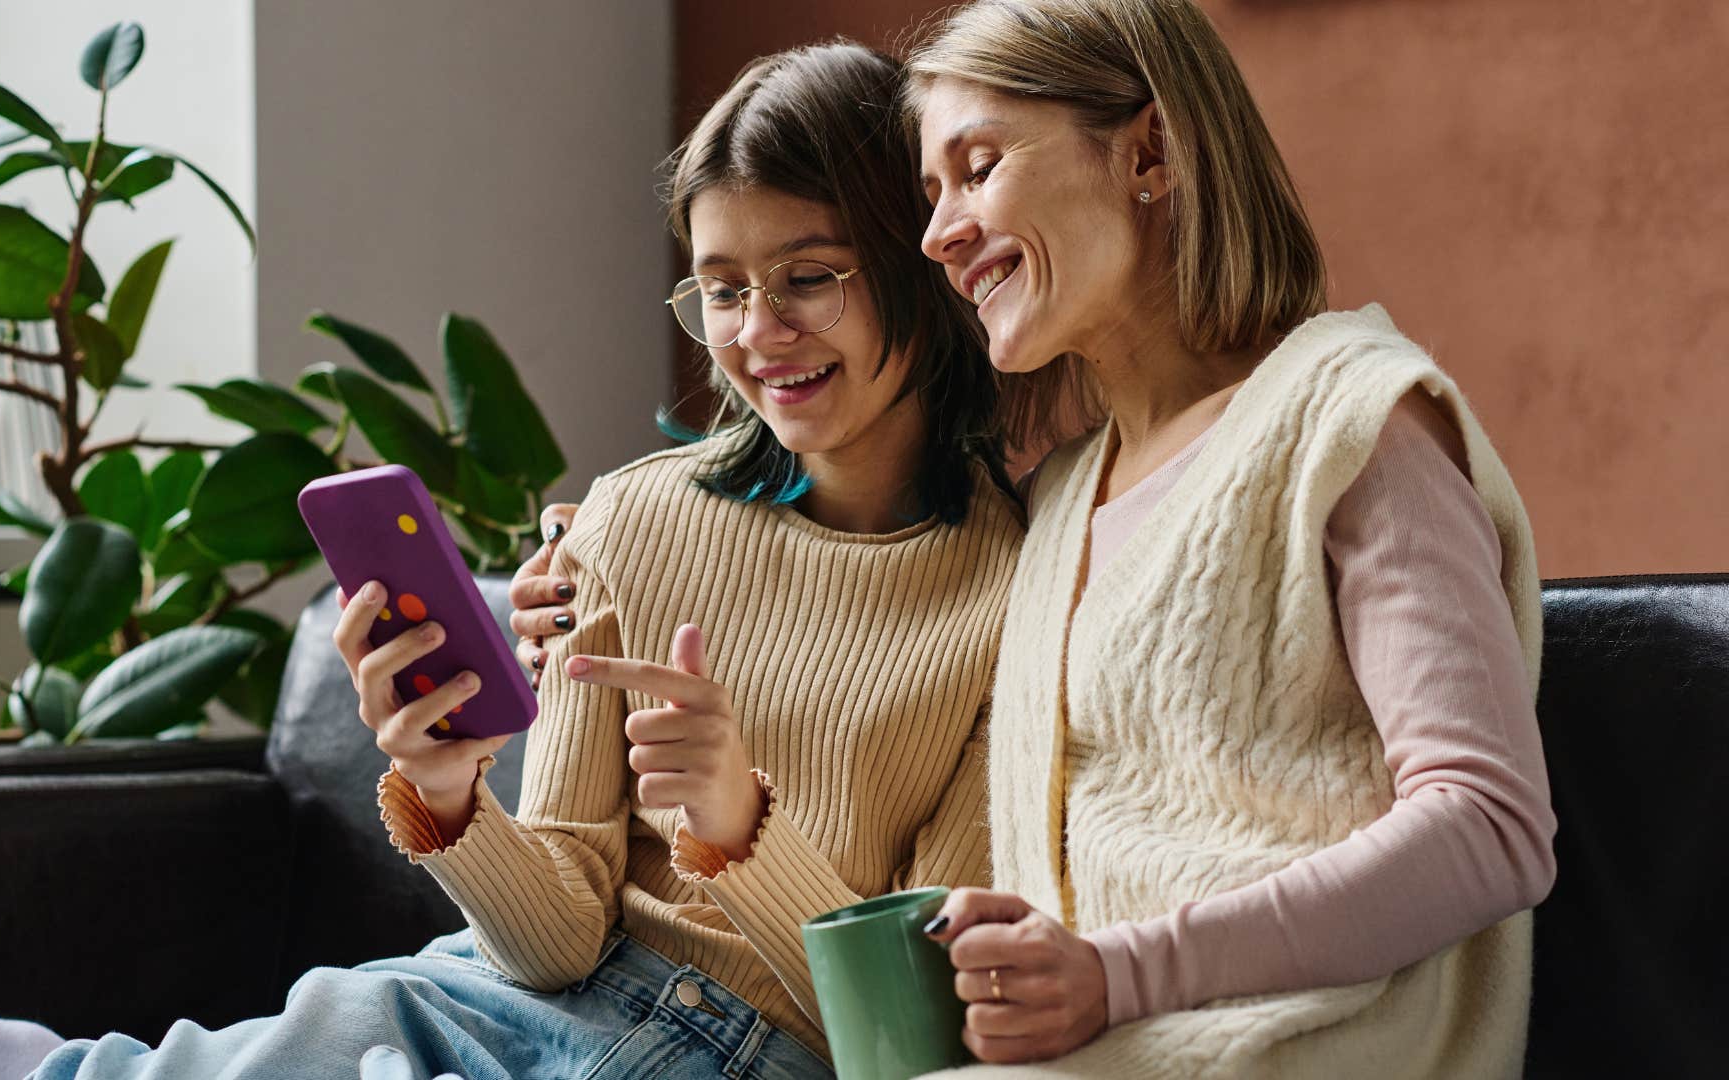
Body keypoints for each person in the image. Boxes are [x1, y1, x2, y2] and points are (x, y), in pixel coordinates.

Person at [0, 40, 1021, 1080]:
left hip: (740, 1049)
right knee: (333, 1020)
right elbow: (557, 939)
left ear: (917, 264)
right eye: (723, 290)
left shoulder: (1018, 585)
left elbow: (910, 1033)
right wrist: (450, 795)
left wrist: (740, 829)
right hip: (499, 992)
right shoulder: (635, 520)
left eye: (809, 276)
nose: (757, 333)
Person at [519, 2, 1556, 1076]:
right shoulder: (1057, 505)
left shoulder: (1350, 421)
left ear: (1148, 153)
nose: (938, 235)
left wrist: (1116, 973)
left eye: (978, 168)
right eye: (928, 195)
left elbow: (1489, 826)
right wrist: (583, 577)